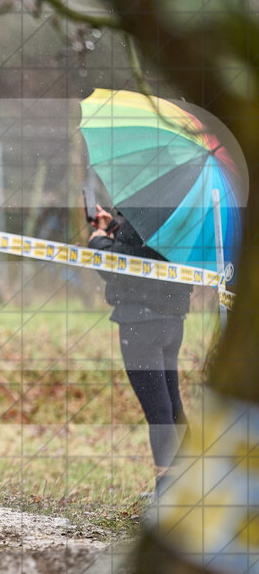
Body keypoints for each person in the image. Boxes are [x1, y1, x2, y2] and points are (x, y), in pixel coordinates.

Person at [87, 201, 192, 495]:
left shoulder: (147, 209)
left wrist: (98, 241)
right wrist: (114, 228)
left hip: (141, 324)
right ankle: (191, 481)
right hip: (172, 320)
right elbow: (147, 250)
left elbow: (117, 265)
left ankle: (168, 490)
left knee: (158, 411)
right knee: (171, 405)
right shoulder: (179, 209)